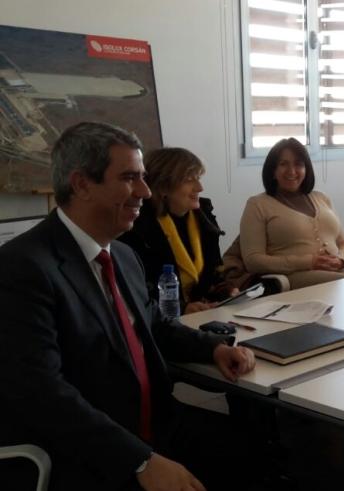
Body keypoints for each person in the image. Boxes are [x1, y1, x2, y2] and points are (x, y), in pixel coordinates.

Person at [0, 122, 256, 491]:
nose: (145, 191)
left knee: (255, 452)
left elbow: (153, 323)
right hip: (89, 447)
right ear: (82, 184)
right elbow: (40, 393)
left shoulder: (123, 255)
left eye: (144, 178)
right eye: (129, 178)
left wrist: (212, 347)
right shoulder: (22, 267)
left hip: (154, 424)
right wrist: (139, 461)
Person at [119, 147, 234, 314]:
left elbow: (213, 271)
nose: (199, 187)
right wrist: (182, 307)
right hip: (166, 322)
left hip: (205, 314)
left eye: (199, 178)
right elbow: (138, 290)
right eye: (189, 180)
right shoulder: (138, 226)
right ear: (163, 187)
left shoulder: (203, 216)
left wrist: (226, 291)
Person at [240, 137, 344, 290]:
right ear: (273, 170)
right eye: (283, 164)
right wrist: (308, 262)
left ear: (306, 169)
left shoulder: (321, 198)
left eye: (298, 164)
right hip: (292, 279)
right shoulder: (258, 204)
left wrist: (342, 261)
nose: (291, 171)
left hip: (337, 274)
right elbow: (252, 260)